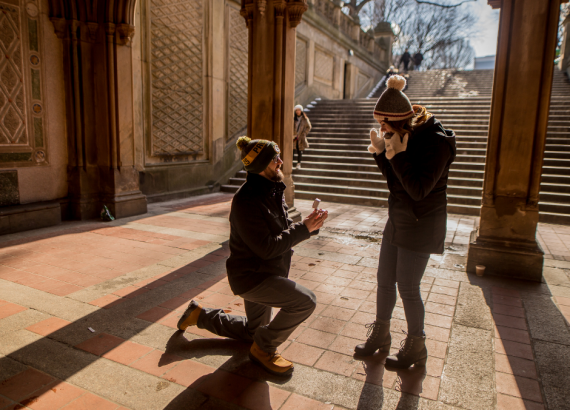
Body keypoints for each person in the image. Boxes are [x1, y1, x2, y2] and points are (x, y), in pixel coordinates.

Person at [177, 136, 328, 377]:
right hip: (253, 278)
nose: (280, 161)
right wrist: (304, 229)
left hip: (269, 272)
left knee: (253, 330)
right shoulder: (246, 201)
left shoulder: (273, 189)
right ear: (259, 166)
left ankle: (199, 315)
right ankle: (264, 349)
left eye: (278, 156)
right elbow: (267, 248)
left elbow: (285, 230)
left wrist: (310, 224)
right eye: (273, 159)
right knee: (305, 301)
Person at [354, 75, 456, 369]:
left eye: (384, 124)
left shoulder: (435, 143)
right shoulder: (398, 135)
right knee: (385, 280)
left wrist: (396, 155)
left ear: (399, 120)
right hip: (398, 218)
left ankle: (416, 346)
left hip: (422, 223)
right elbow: (395, 184)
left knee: (409, 287)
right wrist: (381, 155)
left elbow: (418, 189)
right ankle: (380, 336)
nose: (381, 129)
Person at [294, 105, 311, 170]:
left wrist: (304, 133)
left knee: (299, 150)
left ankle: (298, 163)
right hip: (294, 137)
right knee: (292, 151)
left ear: (301, 110)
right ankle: (290, 164)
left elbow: (308, 127)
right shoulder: (294, 119)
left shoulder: (305, 119)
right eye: (296, 110)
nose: (297, 111)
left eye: (299, 110)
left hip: (301, 137)